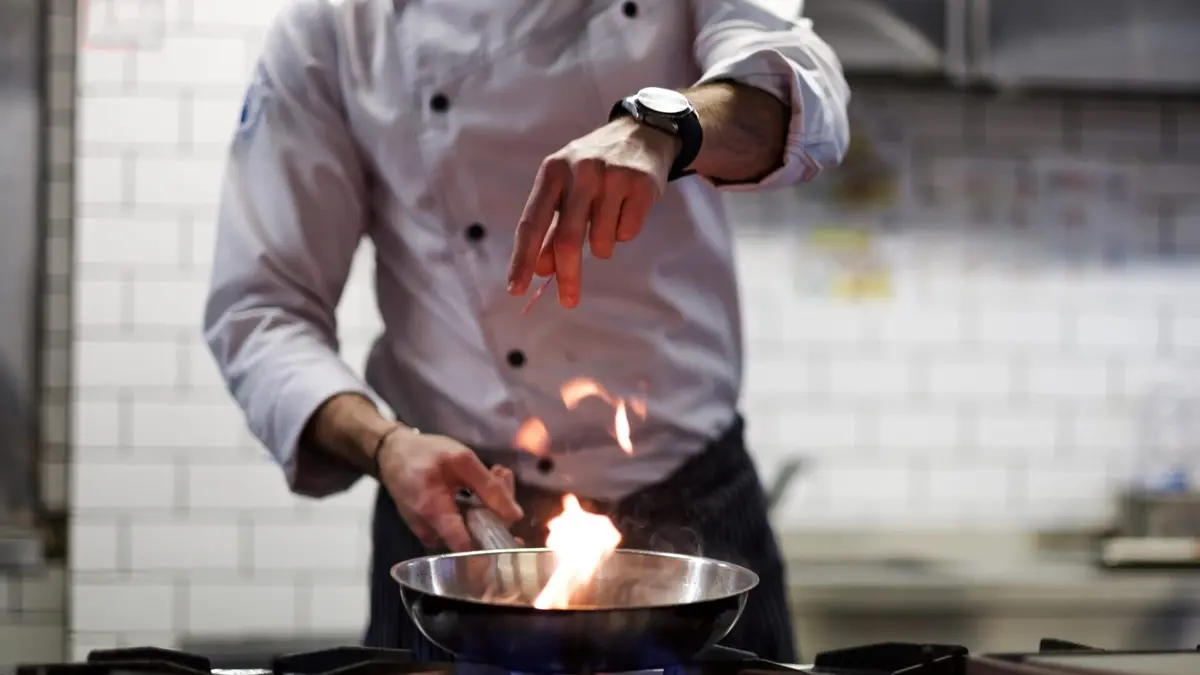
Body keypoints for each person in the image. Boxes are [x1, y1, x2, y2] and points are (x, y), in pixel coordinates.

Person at [204, 0, 849, 663]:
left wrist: (664, 126)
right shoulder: (336, 29)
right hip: (458, 524)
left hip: (697, 509)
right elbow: (262, 311)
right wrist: (385, 444)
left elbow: (808, 90)